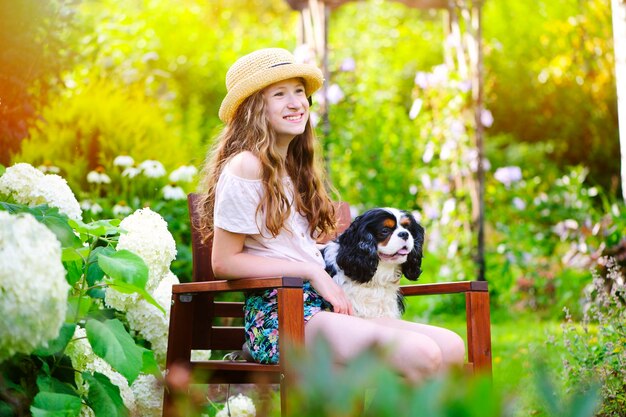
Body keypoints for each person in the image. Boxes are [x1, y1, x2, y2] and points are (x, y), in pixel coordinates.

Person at [196, 47, 465, 383]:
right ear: (253, 108)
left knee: (451, 347)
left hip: (325, 307)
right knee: (423, 354)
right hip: (280, 316)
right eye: (280, 94)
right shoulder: (246, 165)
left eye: (299, 92)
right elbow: (224, 262)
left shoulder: (296, 170)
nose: (296, 103)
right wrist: (311, 271)